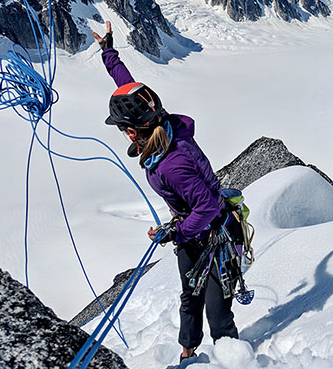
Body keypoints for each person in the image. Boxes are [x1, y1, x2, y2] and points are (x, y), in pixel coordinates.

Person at [93, 21, 238, 363]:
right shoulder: (165, 125)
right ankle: (189, 351)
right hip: (194, 232)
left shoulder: (172, 164)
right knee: (190, 296)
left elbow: (207, 206)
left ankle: (234, 358)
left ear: (133, 133)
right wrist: (108, 53)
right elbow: (128, 87)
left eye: (123, 129)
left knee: (217, 313)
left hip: (214, 234)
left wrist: (175, 232)